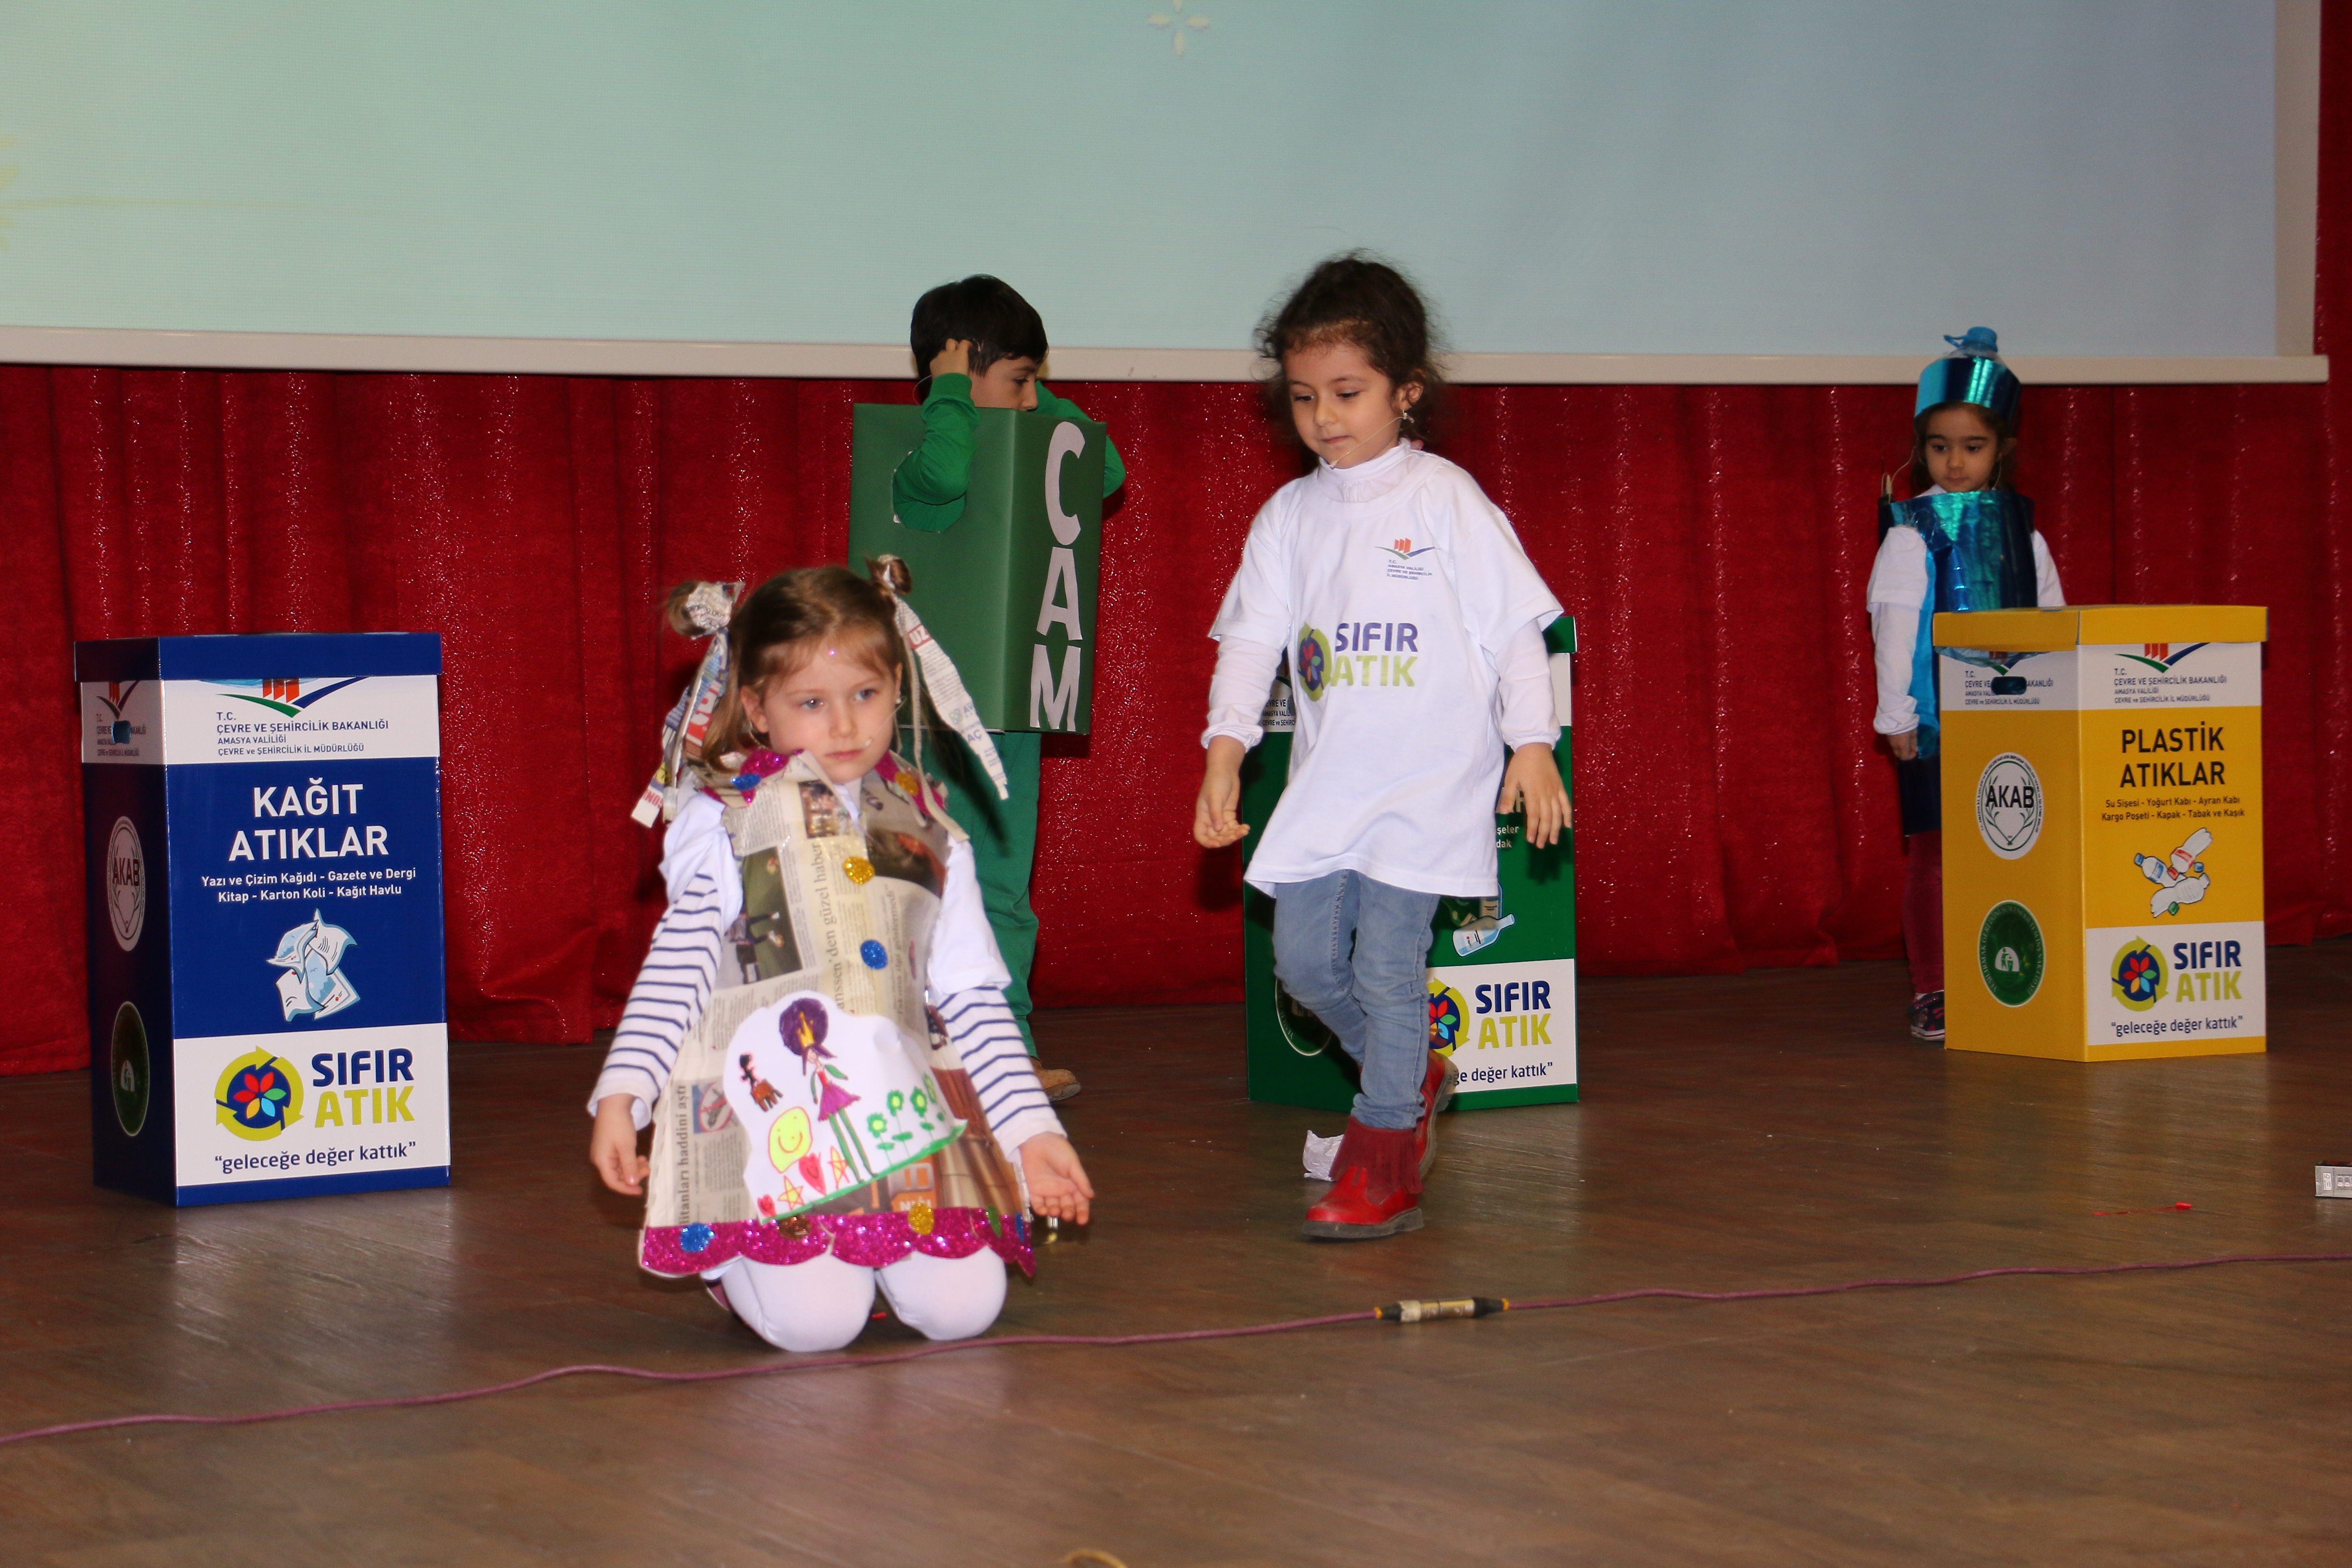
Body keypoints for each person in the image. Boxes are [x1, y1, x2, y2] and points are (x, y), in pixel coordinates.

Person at [590, 564, 1093, 1352]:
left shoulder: (931, 827)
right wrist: (627, 1093)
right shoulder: (726, 820)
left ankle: (874, 1251)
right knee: (818, 1327)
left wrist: (1030, 1130)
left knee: (965, 1312)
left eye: (865, 694)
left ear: (898, 685)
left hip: (903, 1116)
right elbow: (678, 964)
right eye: (812, 704)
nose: (847, 725)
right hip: (772, 1117)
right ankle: (741, 1265)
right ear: (757, 708)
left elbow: (971, 998)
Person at [1192, 254, 1567, 1240]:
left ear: (1406, 392)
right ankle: (1413, 1072)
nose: (1325, 415)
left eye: (1349, 393)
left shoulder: (1446, 500)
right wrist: (1224, 748)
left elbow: (1515, 634)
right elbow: (1250, 643)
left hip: (1430, 783)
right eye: (1306, 396)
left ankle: (1386, 1148)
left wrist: (1532, 745)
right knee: (1311, 971)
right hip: (1329, 787)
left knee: (1390, 972)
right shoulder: (1289, 517)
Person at [893, 275, 1128, 1102]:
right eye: (1019, 380)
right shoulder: (919, 459)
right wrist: (952, 390)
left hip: (1007, 711)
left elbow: (1106, 467)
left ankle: (1007, 1049)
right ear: (949, 374)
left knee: (1000, 885)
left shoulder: (1036, 448)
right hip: (919, 720)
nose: (1032, 402)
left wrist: (1032, 396)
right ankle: (915, 1048)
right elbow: (950, 467)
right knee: (917, 879)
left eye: (1037, 380)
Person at [1865, 328, 2064, 1043]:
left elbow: (2051, 624)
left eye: (1972, 446)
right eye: (1941, 447)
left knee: (2016, 846)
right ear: (1923, 451)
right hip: (1938, 723)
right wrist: (1898, 716)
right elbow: (1892, 626)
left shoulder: (2026, 532)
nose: (1955, 461)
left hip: (2016, 720)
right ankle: (1935, 987)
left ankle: (2011, 973)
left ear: (2000, 449)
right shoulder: (1910, 531)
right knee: (1937, 855)